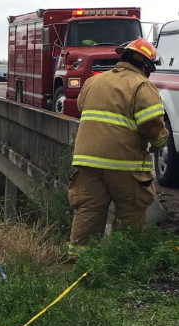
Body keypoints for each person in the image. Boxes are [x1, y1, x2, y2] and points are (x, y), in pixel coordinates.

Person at [67, 38, 168, 260]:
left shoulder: (94, 82)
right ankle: (120, 264)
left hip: (86, 162)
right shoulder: (141, 86)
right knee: (130, 212)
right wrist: (162, 143)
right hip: (124, 165)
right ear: (146, 66)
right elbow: (152, 124)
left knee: (88, 211)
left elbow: (83, 107)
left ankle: (79, 263)